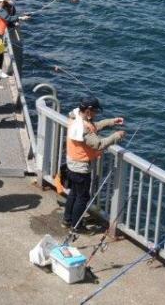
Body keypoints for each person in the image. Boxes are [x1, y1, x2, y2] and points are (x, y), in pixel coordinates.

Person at [62, 96, 125, 230]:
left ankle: (67, 220)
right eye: (95, 111)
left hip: (71, 164)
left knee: (73, 193)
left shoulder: (76, 118)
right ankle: (76, 226)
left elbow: (94, 127)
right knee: (82, 197)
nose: (96, 114)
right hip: (81, 167)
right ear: (88, 111)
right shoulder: (82, 127)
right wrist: (116, 136)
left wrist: (112, 122)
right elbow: (98, 144)